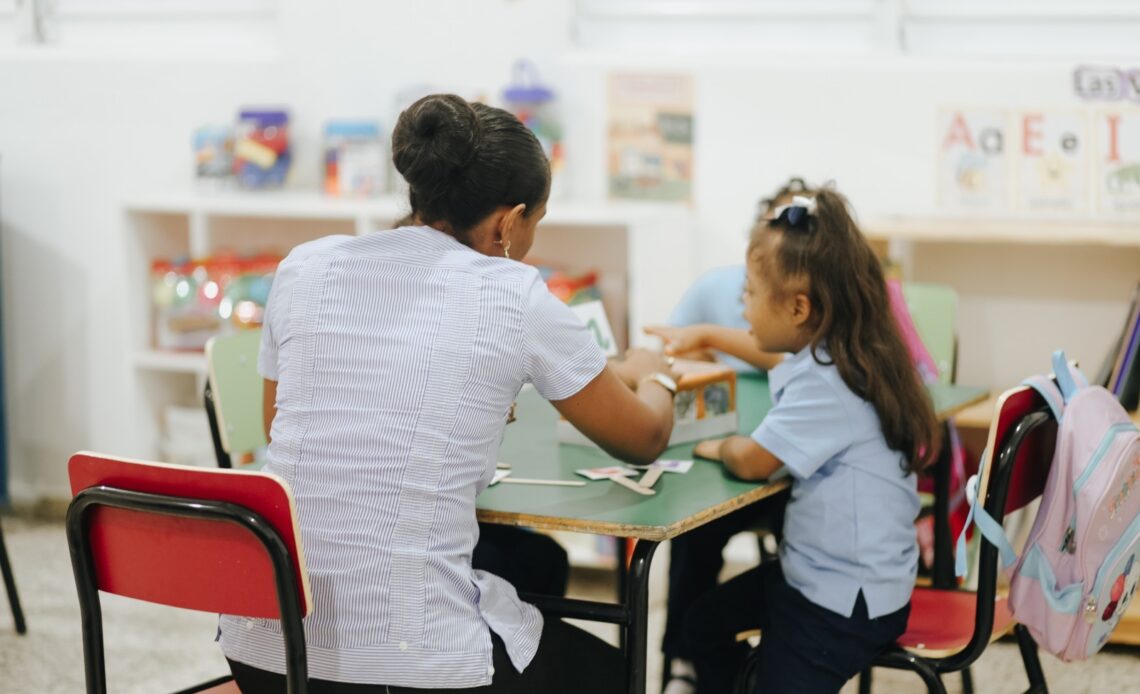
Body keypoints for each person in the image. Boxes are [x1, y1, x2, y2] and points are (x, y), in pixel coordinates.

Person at [219, 93, 680, 693]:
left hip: (265, 644)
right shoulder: (513, 294)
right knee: (612, 674)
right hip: (400, 661)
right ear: (508, 223)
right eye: (535, 223)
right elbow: (645, 437)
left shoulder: (305, 266)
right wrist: (656, 372)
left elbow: (278, 426)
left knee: (535, 564)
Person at [655, 189, 940, 693]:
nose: (743, 307)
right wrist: (711, 336)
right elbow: (774, 355)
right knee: (701, 625)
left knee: (718, 637)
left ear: (799, 307)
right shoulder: (854, 353)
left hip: (839, 604)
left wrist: (715, 446)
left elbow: (752, 460)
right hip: (855, 579)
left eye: (749, 293)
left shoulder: (825, 384)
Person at [645, 177, 812, 694]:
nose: (745, 306)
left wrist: (715, 340)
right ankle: (682, 663)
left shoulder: (822, 369)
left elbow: (758, 454)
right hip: (744, 467)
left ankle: (754, 660)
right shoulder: (717, 288)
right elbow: (671, 353)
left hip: (793, 498)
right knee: (695, 527)